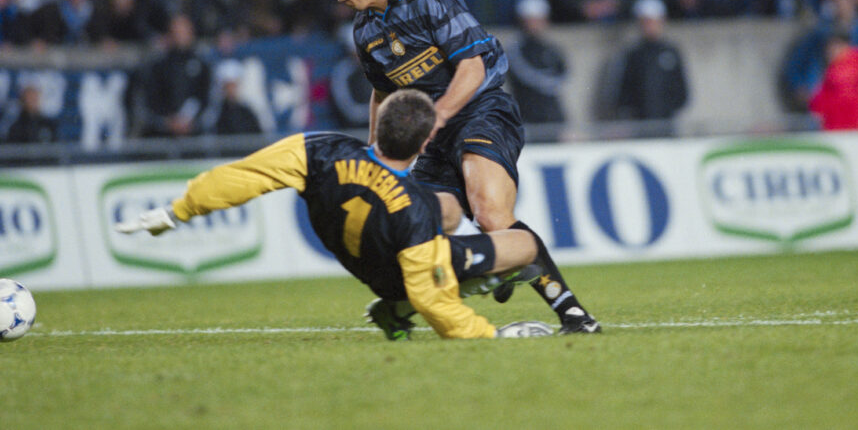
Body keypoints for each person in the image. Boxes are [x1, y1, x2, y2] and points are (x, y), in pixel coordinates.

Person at [323, 0, 600, 334]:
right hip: (435, 136)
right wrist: (376, 155)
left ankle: (576, 316)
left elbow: (472, 68)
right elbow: (382, 94)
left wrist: (436, 116)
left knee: (489, 212)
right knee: (415, 228)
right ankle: (452, 287)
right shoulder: (365, 29)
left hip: (481, 110)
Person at [116, 89, 551, 341]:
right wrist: (491, 336)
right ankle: (421, 301)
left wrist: (179, 211)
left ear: (377, 124)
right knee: (524, 245)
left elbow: (243, 177)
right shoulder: (413, 207)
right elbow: (432, 300)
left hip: (356, 256)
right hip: (398, 270)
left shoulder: (319, 151)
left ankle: (463, 281)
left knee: (451, 211)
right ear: (423, 147)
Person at [609, 0, 689, 128]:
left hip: (666, 123)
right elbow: (622, 93)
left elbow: (682, 92)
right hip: (639, 124)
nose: (650, 26)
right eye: (646, 22)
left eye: (653, 21)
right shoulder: (632, 55)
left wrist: (667, 109)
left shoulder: (671, 52)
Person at [505, 0, 567, 131]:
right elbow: (525, 74)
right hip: (527, 114)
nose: (537, 24)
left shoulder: (549, 48)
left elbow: (563, 72)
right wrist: (549, 82)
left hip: (552, 114)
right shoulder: (516, 49)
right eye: (532, 20)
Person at [808, 32, 858, 131]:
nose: (830, 52)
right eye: (829, 48)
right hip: (836, 128)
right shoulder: (832, 70)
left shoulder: (856, 67)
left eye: (834, 47)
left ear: (845, 47)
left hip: (852, 127)